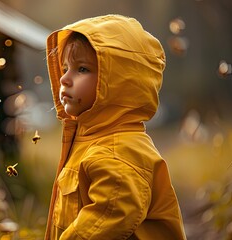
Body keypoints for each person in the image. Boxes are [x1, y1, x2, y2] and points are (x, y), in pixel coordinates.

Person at [44, 14, 187, 239]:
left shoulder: (118, 153)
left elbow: (105, 219)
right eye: (64, 69)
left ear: (119, 84)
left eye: (81, 69)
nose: (65, 79)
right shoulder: (91, 139)